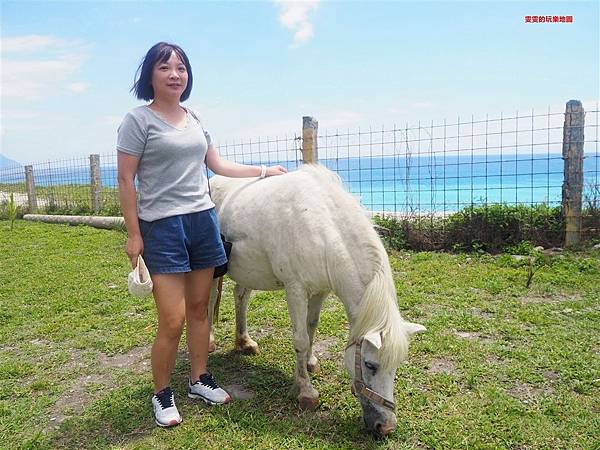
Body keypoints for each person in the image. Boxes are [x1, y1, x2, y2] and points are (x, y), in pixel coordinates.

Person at [116, 42, 287, 428]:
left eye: (181, 68)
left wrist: (263, 172)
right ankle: (161, 393)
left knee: (199, 310)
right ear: (150, 75)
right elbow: (126, 179)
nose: (175, 74)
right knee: (172, 319)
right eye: (165, 68)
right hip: (161, 226)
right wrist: (134, 233)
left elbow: (216, 164)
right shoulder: (138, 120)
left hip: (202, 221)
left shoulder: (194, 117)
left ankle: (198, 379)